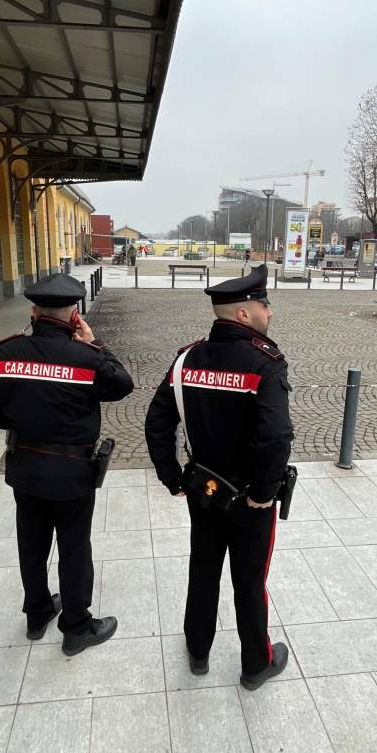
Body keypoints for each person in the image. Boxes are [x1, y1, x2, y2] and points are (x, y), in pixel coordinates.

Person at [144, 264, 294, 690]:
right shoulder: (266, 362)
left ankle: (198, 651)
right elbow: (276, 435)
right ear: (244, 314)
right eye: (264, 305)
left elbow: (157, 421)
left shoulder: (187, 358)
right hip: (250, 499)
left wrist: (173, 476)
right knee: (249, 580)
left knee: (204, 568)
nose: (270, 312)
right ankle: (255, 665)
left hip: (203, 489)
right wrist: (265, 493)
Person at [0, 273, 134, 655]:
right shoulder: (87, 357)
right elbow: (121, 384)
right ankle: (76, 627)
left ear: (33, 310)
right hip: (73, 473)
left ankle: (37, 613)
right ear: (74, 314)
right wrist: (96, 344)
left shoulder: (4, 354)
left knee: (32, 543)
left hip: (24, 466)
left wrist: (22, 422)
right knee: (74, 547)